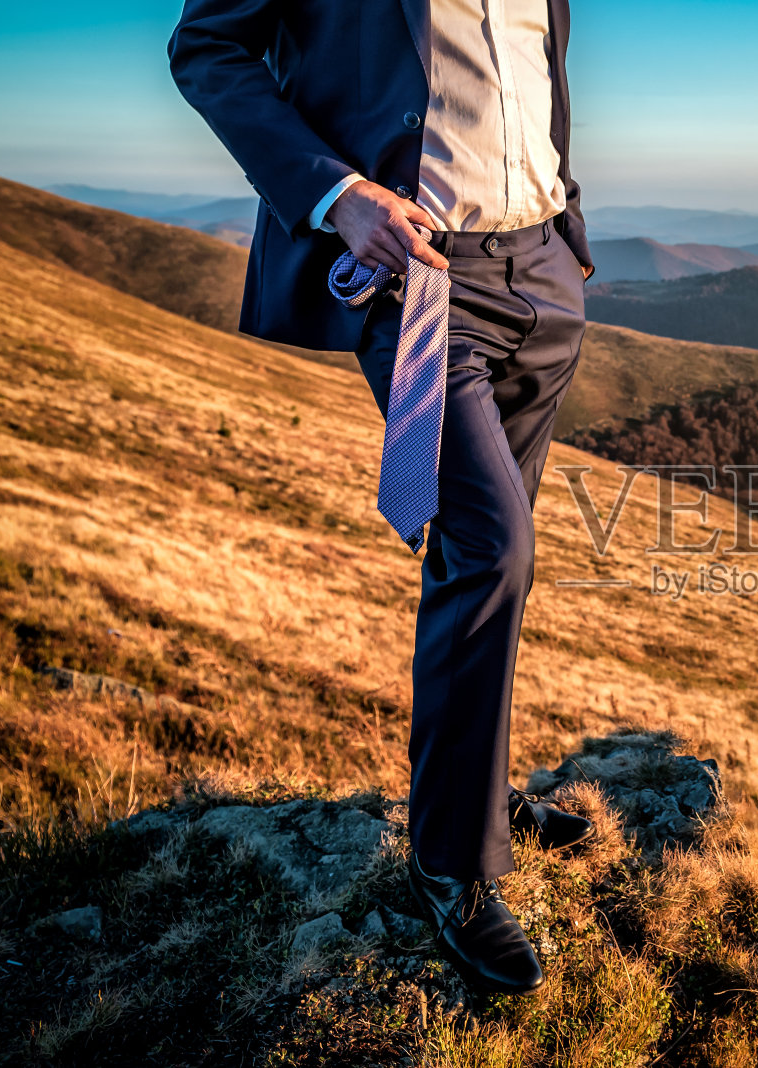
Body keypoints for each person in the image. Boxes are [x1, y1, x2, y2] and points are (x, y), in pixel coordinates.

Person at [167, 0, 596, 995]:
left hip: (542, 270)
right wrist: (340, 195)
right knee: (492, 550)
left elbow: (533, 67)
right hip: (417, 276)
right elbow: (207, 46)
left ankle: (473, 801)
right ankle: (453, 867)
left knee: (483, 555)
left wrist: (566, 219)